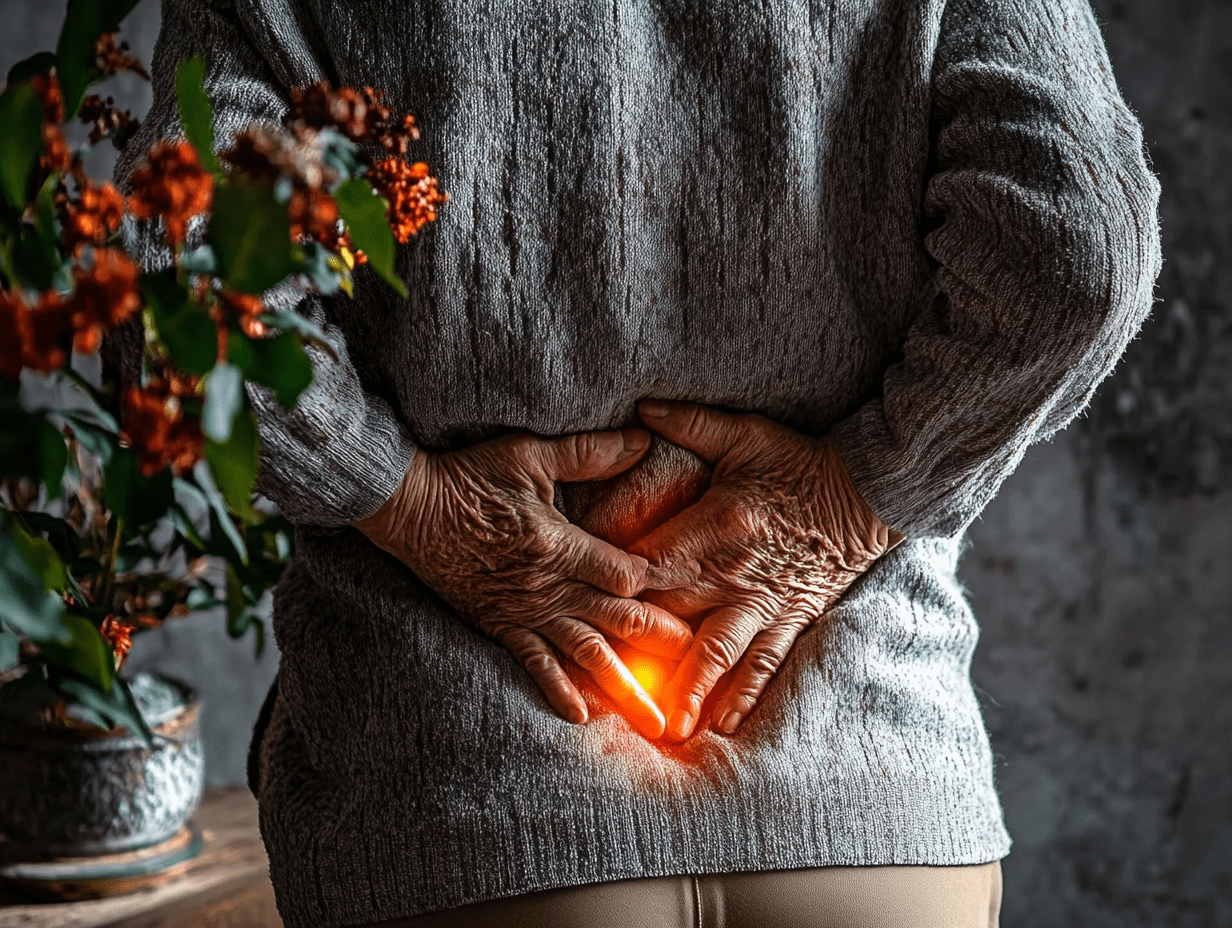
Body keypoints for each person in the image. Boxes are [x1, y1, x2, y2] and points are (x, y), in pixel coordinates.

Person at [119, 0, 1161, 925]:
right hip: (872, 804)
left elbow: (174, 289)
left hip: (459, 808)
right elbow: (1077, 249)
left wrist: (405, 498)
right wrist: (855, 493)